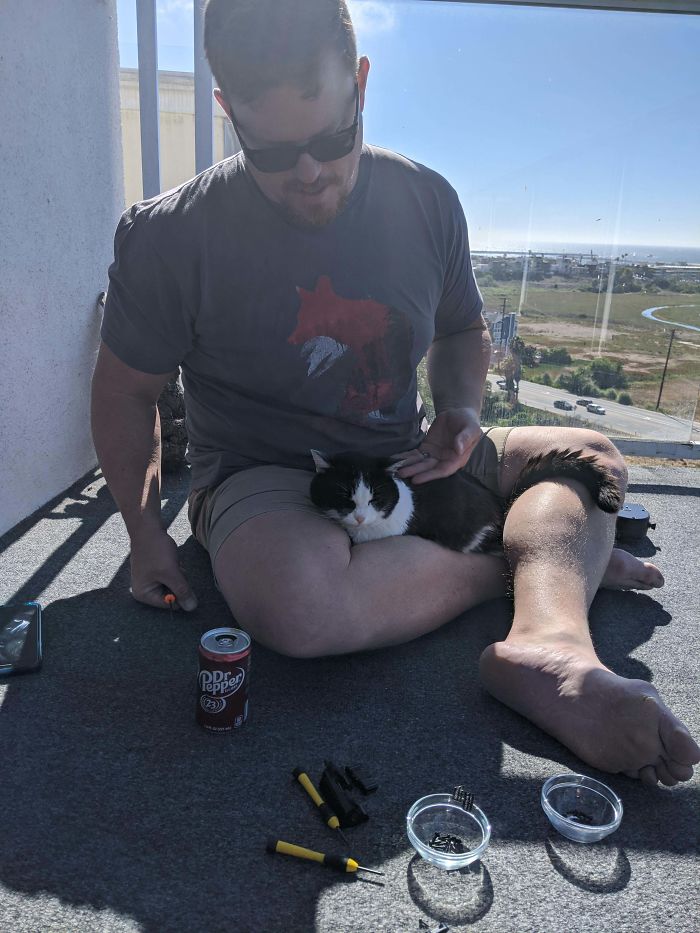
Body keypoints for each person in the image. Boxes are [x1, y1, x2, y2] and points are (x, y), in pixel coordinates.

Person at [91, 0, 699, 787]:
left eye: (331, 137)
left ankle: (550, 644)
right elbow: (124, 394)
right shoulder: (168, 236)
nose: (307, 172)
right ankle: (536, 563)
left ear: (362, 83)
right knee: (298, 602)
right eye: (270, 151)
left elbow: (459, 333)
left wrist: (463, 411)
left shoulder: (428, 200)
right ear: (225, 109)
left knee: (590, 456)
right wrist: (144, 532)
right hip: (265, 473)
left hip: (407, 457)